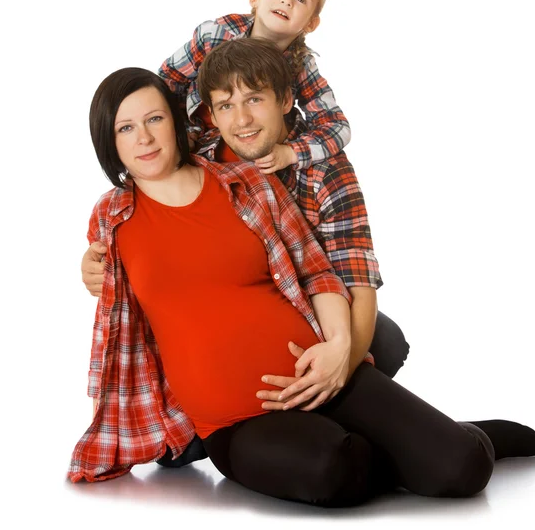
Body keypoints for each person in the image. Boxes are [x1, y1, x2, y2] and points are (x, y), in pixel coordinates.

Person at [69, 67, 535, 507]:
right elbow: (109, 289)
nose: (145, 137)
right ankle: (410, 446)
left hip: (321, 377)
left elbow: (317, 271)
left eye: (154, 118)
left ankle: (458, 439)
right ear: (109, 142)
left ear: (177, 121)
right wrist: (86, 267)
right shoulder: (111, 217)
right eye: (125, 128)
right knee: (334, 468)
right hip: (235, 423)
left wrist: (338, 347)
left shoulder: (246, 183)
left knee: (462, 467)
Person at [81, 39, 411, 467]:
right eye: (225, 105)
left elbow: (349, 280)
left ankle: (358, 420)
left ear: (285, 101)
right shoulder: (183, 168)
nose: (242, 118)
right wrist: (92, 267)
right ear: (210, 115)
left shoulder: (319, 172)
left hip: (314, 319)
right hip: (218, 389)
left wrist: (338, 366)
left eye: (255, 99)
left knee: (384, 338)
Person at [159, 0, 349, 174]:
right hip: (197, 139)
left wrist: (292, 153)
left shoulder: (301, 65)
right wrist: (179, 130)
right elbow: (168, 79)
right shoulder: (216, 34)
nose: (287, 1)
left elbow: (336, 125)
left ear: (311, 24)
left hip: (249, 149)